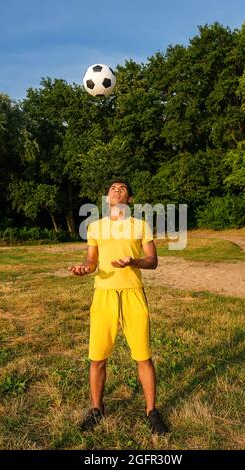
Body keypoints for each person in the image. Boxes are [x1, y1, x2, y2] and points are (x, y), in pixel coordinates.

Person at [70, 177, 168, 435]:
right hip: (103, 295)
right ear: (107, 197)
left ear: (129, 198)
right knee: (97, 358)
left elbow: (153, 260)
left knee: (143, 357)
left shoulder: (141, 225)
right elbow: (91, 261)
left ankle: (151, 411)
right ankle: (96, 409)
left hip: (134, 294)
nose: (117, 191)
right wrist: (85, 269)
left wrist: (133, 261)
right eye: (113, 189)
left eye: (122, 189)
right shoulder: (95, 228)